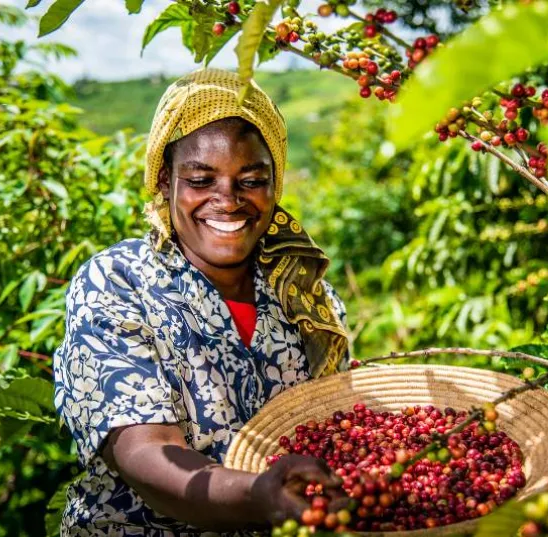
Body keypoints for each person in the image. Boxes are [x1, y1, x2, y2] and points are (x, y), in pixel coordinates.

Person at [53, 68, 350, 537]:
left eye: (251, 180)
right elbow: (145, 454)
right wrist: (259, 494)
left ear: (275, 185)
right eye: (200, 179)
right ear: (166, 181)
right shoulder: (119, 282)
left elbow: (339, 429)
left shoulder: (309, 298)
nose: (227, 200)